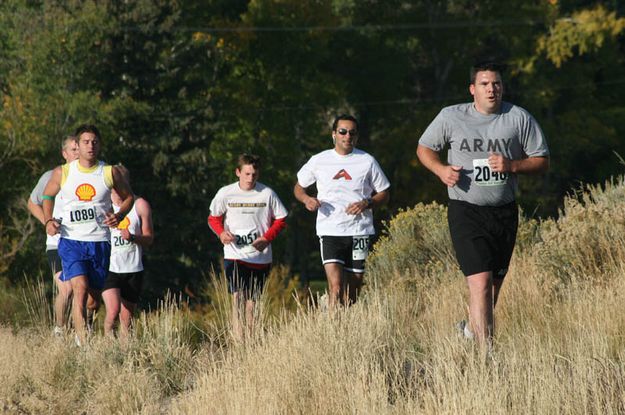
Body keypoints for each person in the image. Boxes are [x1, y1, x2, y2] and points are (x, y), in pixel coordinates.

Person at [416, 61, 550, 347]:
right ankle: (486, 354)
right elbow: (424, 148)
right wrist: (441, 170)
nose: (492, 89)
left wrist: (512, 164)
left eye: (497, 84)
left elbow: (541, 160)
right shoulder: (451, 117)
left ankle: (469, 332)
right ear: (472, 89)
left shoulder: (518, 118)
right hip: (466, 210)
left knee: (492, 290)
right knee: (479, 283)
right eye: (485, 84)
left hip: (503, 212)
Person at [42, 124, 133, 346]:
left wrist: (119, 215)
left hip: (99, 242)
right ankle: (82, 344)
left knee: (93, 300)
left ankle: (84, 327)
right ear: (78, 145)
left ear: (99, 145)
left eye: (94, 142)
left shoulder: (109, 172)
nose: (90, 146)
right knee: (79, 288)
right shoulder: (63, 172)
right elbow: (47, 196)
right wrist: (48, 221)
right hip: (71, 241)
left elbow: (129, 197)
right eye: (85, 142)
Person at [294, 114, 390, 307]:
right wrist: (307, 199)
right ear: (334, 135)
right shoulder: (320, 160)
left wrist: (367, 203)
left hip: (360, 232)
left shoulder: (367, 161)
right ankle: (332, 330)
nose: (347, 136)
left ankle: (346, 327)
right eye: (343, 132)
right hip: (330, 230)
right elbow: (299, 187)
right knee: (336, 287)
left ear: (357, 136)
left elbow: (384, 193)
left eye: (352, 133)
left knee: (352, 293)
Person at [208, 154, 288, 340]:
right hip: (235, 254)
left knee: (252, 302)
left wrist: (267, 239)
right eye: (247, 174)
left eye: (254, 174)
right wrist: (221, 233)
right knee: (238, 296)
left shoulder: (267, 193)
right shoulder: (226, 193)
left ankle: (250, 342)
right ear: (238, 172)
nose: (250, 178)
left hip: (260, 256)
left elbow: (281, 218)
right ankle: (237, 340)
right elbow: (213, 218)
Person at [27, 136, 79, 334]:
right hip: (57, 243)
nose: (77, 153)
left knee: (81, 291)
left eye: (78, 149)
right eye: (73, 150)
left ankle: (79, 333)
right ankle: (59, 329)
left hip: (82, 242)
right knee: (66, 289)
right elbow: (32, 203)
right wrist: (47, 222)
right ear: (64, 154)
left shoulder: (89, 176)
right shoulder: (52, 176)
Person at [102, 165, 153, 339]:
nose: (118, 186)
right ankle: (107, 348)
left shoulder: (140, 205)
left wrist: (132, 238)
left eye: (122, 181)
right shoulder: (103, 206)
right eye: (115, 182)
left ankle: (125, 355)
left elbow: (149, 239)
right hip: (110, 268)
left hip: (133, 269)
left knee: (127, 318)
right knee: (113, 310)